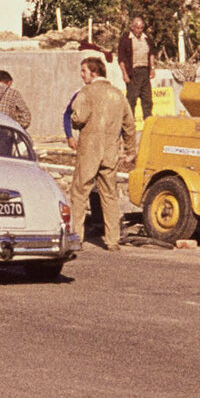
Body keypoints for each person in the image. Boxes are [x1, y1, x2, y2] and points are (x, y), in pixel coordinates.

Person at [68, 56, 137, 252]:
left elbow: (79, 117)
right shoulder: (118, 94)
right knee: (109, 194)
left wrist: (74, 119)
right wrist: (131, 150)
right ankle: (112, 240)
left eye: (84, 71)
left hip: (90, 149)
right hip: (111, 151)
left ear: (94, 72)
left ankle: (76, 237)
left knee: (80, 192)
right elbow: (129, 124)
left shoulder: (87, 92)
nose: (82, 76)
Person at [118, 16, 154, 127]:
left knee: (147, 99)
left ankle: (148, 122)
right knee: (131, 99)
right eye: (137, 28)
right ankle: (129, 124)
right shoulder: (126, 39)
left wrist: (152, 68)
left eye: (141, 28)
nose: (139, 30)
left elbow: (151, 54)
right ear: (132, 27)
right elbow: (121, 58)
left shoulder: (146, 38)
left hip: (145, 71)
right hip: (133, 72)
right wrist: (124, 74)